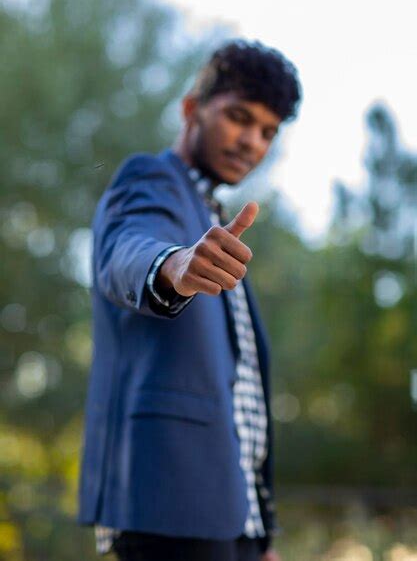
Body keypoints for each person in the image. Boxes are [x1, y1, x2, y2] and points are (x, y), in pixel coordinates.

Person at [77, 39, 301, 561]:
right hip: (168, 504)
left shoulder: (215, 219)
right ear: (191, 110)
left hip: (232, 514)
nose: (251, 142)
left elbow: (240, 401)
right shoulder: (151, 180)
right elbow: (128, 247)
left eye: (268, 131)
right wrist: (173, 264)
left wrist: (259, 528)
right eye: (239, 118)